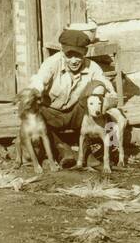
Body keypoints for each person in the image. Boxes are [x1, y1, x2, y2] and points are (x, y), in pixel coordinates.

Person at [29, 28, 114, 160]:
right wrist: (35, 91)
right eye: (69, 55)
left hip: (76, 113)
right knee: (37, 113)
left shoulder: (92, 67)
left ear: (85, 53)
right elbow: (39, 80)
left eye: (78, 55)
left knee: (96, 88)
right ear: (62, 52)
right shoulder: (52, 63)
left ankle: (93, 150)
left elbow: (107, 88)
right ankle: (63, 150)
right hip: (51, 112)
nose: (74, 61)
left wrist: (105, 100)